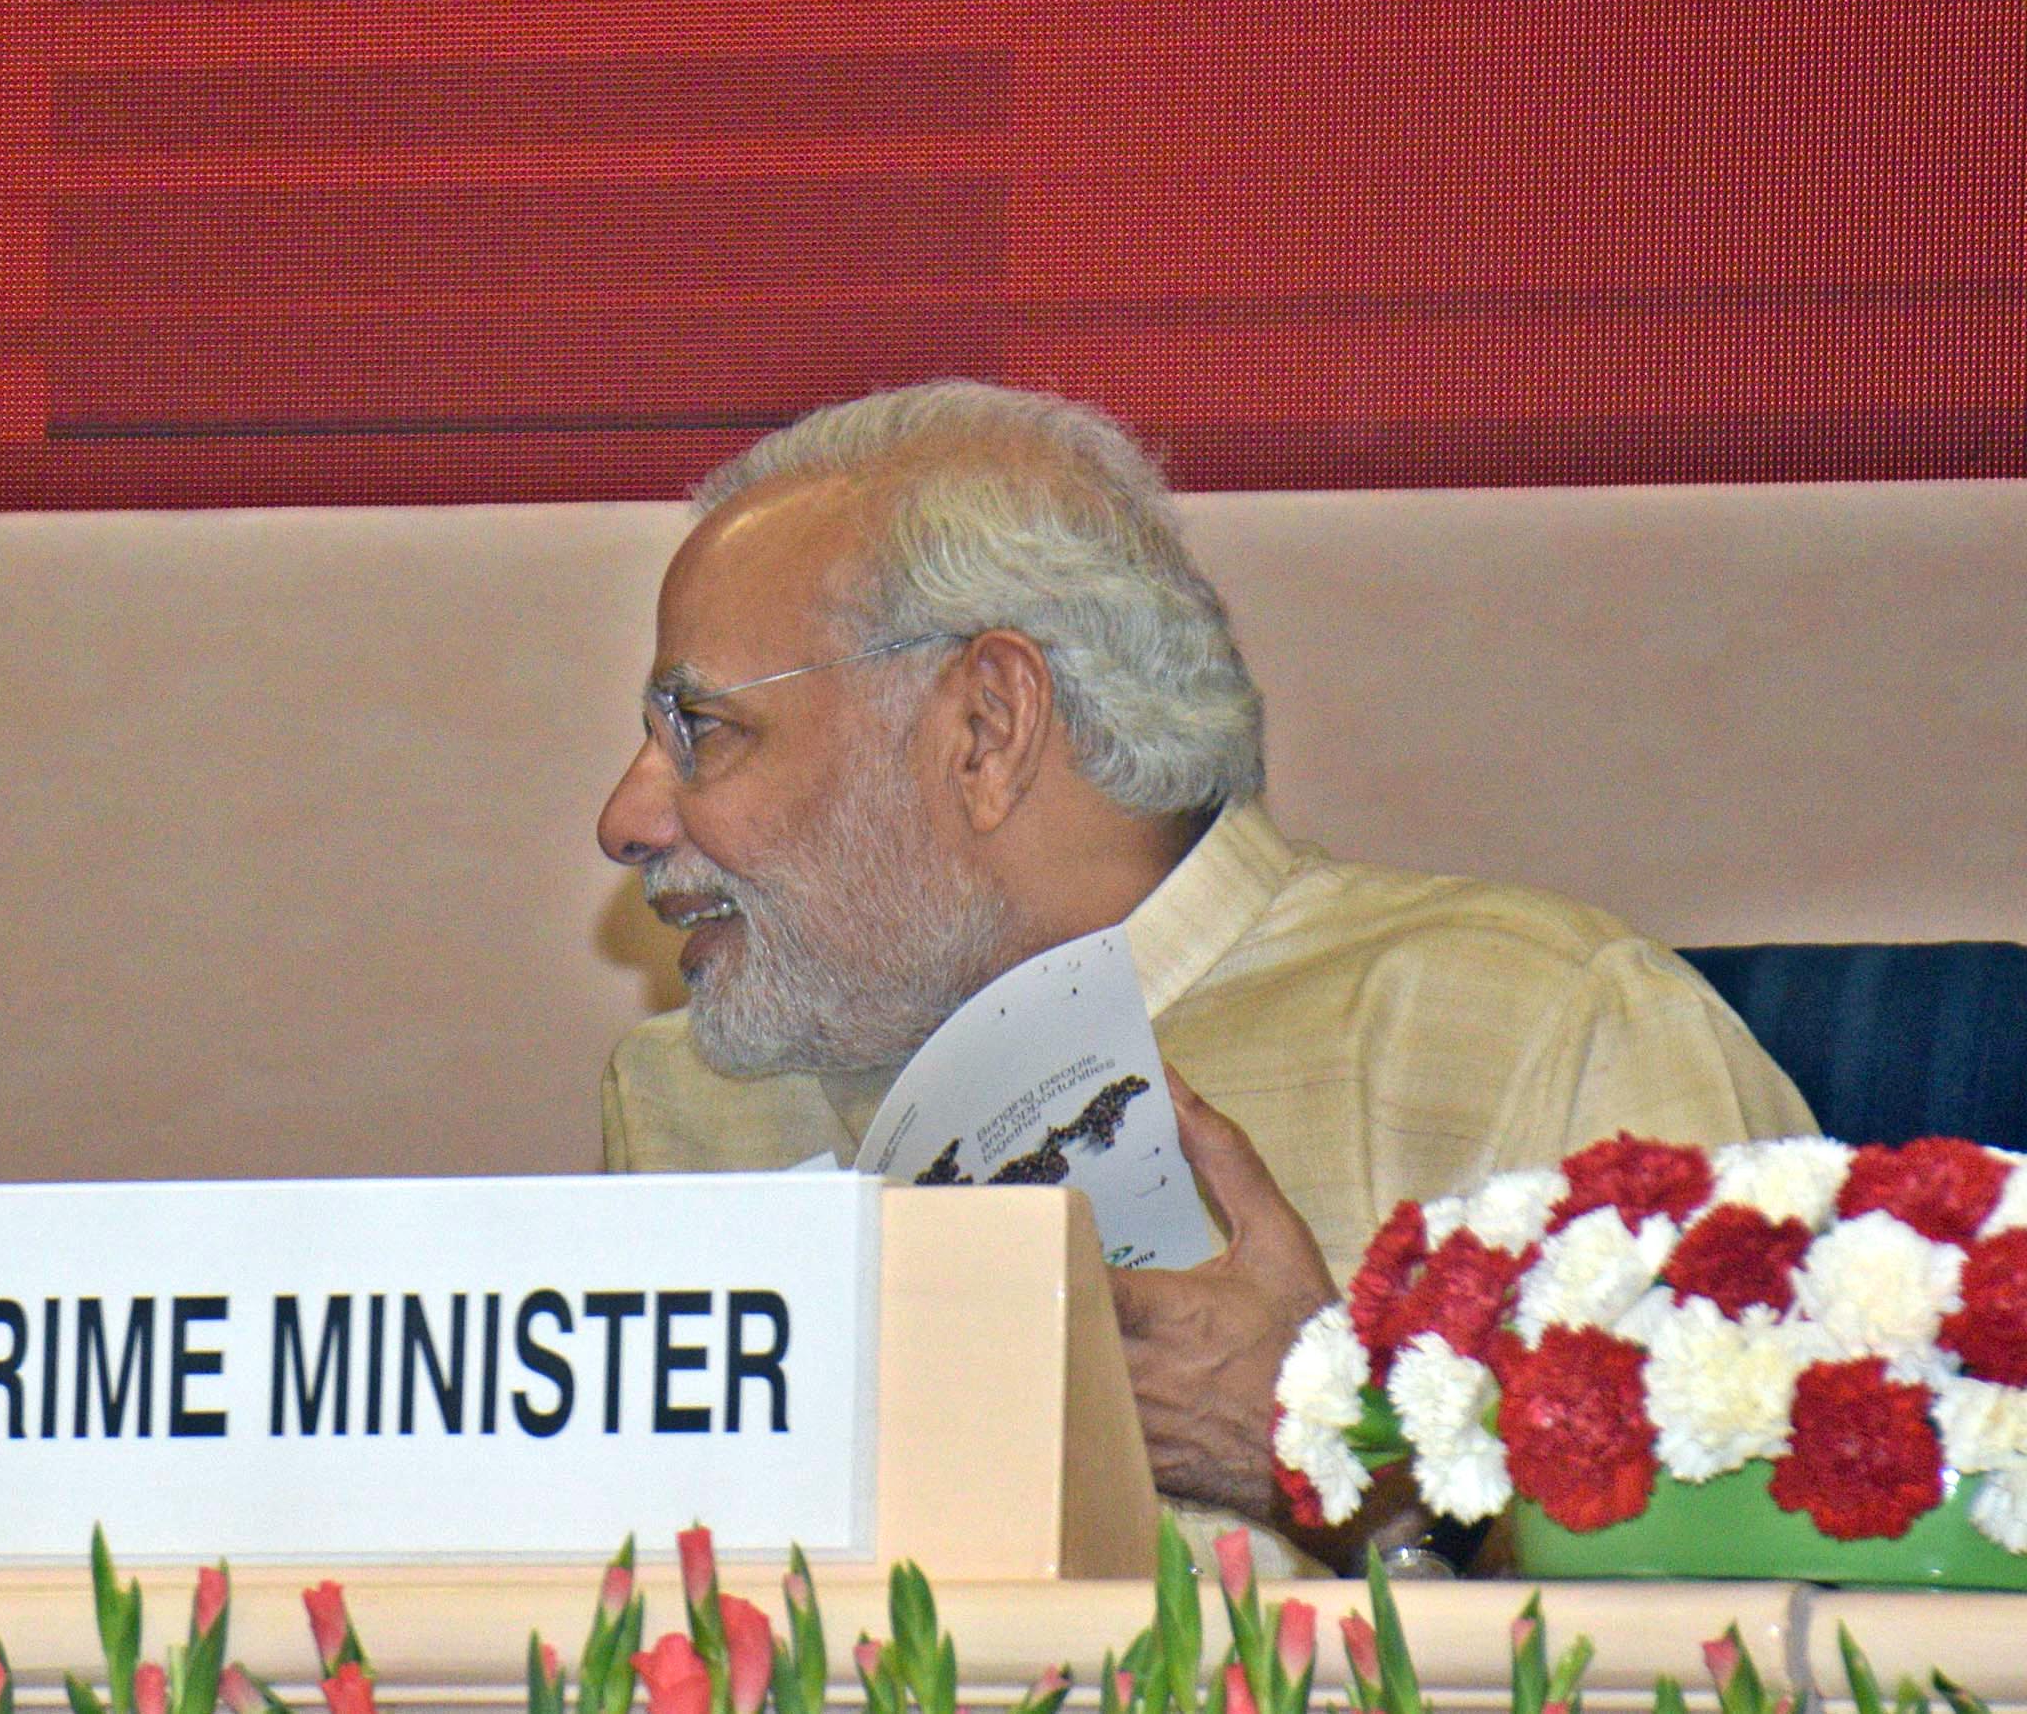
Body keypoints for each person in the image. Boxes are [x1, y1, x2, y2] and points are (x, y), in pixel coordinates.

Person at [592, 380, 1813, 1564]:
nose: (626, 816)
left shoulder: (1540, 1027)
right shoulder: (693, 1098)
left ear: (986, 724)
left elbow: (1777, 1633)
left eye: (702, 729)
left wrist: (1357, 1473)